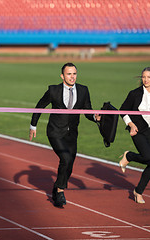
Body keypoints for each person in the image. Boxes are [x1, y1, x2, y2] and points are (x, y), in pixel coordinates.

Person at [29, 62, 101, 207]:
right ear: (62, 76)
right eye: (69, 74)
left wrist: (95, 117)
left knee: (69, 164)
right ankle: (61, 191)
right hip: (55, 131)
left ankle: (56, 188)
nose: (72, 77)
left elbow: (87, 110)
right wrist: (33, 125)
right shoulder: (53, 90)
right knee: (66, 158)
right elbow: (40, 106)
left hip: (72, 134)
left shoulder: (83, 90)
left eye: (74, 73)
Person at [118, 67, 150, 204]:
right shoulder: (134, 94)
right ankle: (129, 156)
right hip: (137, 130)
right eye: (144, 77)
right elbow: (122, 111)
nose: (146, 80)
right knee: (148, 157)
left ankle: (138, 191)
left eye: (149, 77)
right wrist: (131, 125)